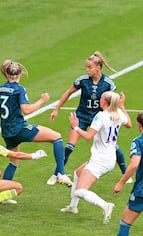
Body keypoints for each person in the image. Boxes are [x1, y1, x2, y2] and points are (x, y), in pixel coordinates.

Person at [50, 51, 133, 184]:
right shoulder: (82, 80)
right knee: (70, 146)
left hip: (99, 118)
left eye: (90, 67)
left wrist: (117, 112)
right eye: (86, 67)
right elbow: (69, 92)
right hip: (82, 115)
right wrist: (57, 108)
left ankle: (126, 174)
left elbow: (112, 101)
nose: (87, 70)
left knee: (112, 146)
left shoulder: (108, 83)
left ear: (98, 68)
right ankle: (57, 173)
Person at [0, 59, 73, 186]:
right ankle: (60, 174)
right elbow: (27, 110)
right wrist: (42, 101)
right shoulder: (19, 89)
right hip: (19, 128)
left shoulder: (1, 88)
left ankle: (2, 192)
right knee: (57, 137)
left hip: (7, 131)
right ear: (20, 74)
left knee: (14, 161)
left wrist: (10, 110)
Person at [60, 91, 131, 225]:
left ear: (104, 102)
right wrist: (122, 106)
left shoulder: (101, 116)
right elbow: (129, 124)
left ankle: (105, 205)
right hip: (109, 157)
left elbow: (87, 137)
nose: (99, 99)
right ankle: (73, 206)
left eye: (101, 98)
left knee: (81, 190)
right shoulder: (118, 113)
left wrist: (75, 127)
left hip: (100, 160)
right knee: (77, 173)